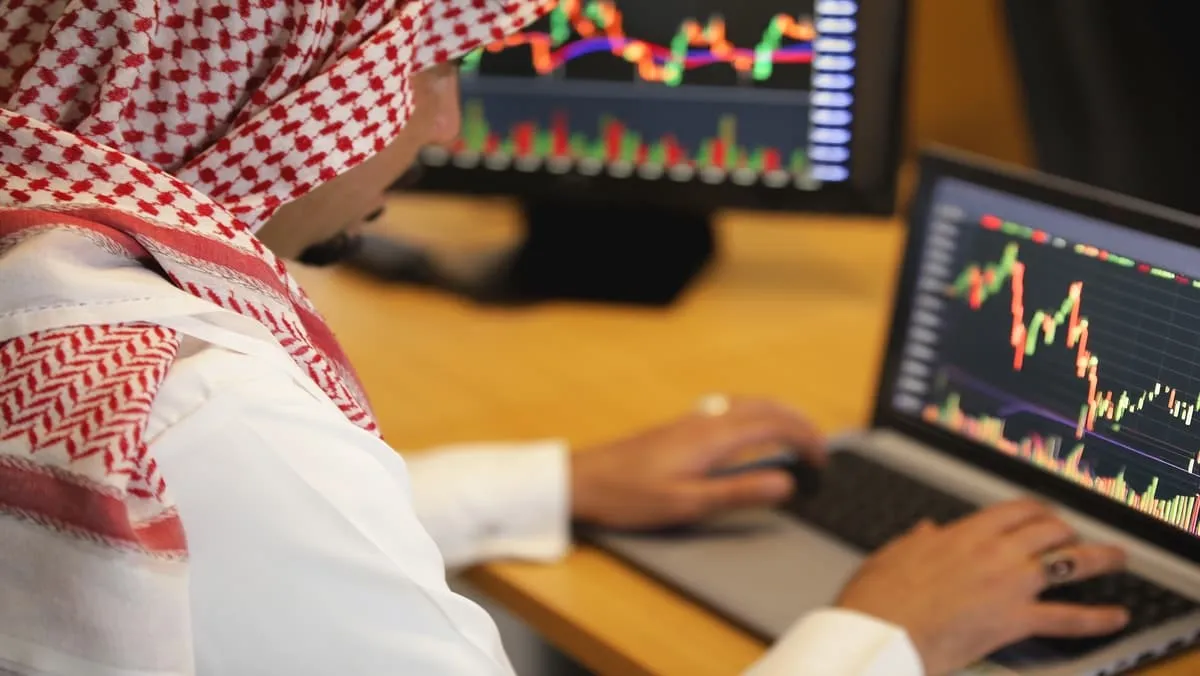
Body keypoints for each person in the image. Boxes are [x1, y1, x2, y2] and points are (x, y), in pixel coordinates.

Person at [0, 1, 1130, 675]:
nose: (442, 122)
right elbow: (246, 484)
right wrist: (886, 635)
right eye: (419, 69)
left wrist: (556, 483)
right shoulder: (203, 413)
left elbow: (247, 535)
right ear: (265, 86)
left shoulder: (55, 282)